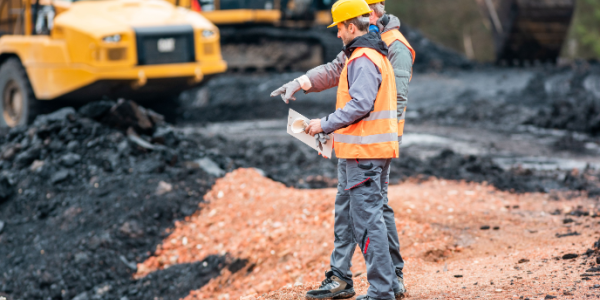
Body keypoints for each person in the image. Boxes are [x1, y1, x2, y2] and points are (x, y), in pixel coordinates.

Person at [270, 0, 413, 299]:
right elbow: (336, 70)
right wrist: (300, 82)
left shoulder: (371, 53)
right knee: (358, 213)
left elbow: (365, 104)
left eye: (338, 28)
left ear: (354, 23)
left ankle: (384, 287)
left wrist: (323, 125)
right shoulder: (367, 49)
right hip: (361, 147)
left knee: (370, 217)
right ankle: (349, 279)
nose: (336, 34)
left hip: (367, 150)